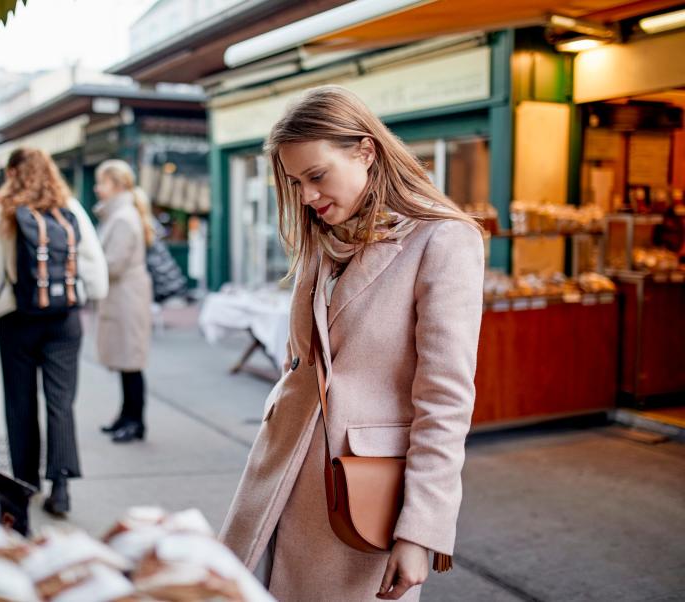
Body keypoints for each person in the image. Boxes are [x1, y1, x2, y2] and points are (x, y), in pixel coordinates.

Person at [219, 86, 484, 601]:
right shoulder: (326, 233)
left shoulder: (444, 240)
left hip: (358, 495)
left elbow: (445, 399)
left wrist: (420, 530)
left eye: (316, 176)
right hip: (278, 473)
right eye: (295, 182)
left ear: (365, 151)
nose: (306, 196)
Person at [0, 148, 107, 516]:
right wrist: (89, 293)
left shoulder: (0, 211)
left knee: (20, 402)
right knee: (61, 402)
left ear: (13, 172)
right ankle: (61, 489)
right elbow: (94, 268)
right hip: (64, 320)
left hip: (17, 319)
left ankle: (25, 484)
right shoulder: (70, 207)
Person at [92, 160, 154, 444]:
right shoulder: (119, 215)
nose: (96, 188)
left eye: (101, 182)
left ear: (115, 185)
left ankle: (135, 421)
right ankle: (125, 415)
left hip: (126, 296)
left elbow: (114, 264)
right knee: (125, 359)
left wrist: (89, 268)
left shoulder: (122, 217)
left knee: (131, 360)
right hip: (123, 296)